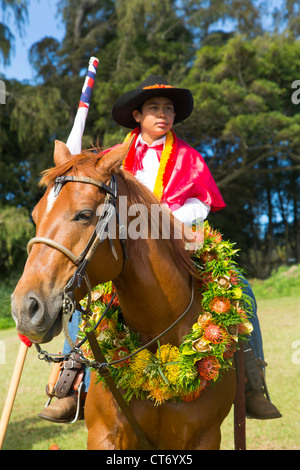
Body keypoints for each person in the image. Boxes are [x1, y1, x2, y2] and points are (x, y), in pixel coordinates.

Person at [38, 75, 281, 423]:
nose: (163, 114)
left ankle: (253, 384)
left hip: (181, 239)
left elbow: (202, 202)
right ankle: (72, 388)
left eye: (168, 108)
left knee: (240, 287)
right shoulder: (110, 158)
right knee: (85, 294)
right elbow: (83, 189)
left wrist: (168, 217)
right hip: (122, 246)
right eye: (154, 108)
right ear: (137, 115)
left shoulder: (190, 157)